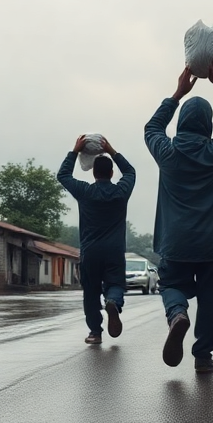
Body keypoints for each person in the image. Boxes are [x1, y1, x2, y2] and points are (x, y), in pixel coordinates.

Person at [145, 58, 213, 373]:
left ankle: (177, 313)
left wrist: (177, 94)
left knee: (170, 284)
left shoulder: (166, 152)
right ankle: (203, 357)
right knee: (209, 298)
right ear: (208, 124)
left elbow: (152, 128)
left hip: (176, 241)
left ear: (181, 122)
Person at [57, 135, 136, 344]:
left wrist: (74, 151)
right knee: (115, 284)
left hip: (91, 251)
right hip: (115, 251)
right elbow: (130, 172)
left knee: (91, 292)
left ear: (93, 172)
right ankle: (113, 302)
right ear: (111, 173)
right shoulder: (121, 192)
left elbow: (63, 175)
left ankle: (95, 333)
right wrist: (111, 150)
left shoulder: (85, 191)